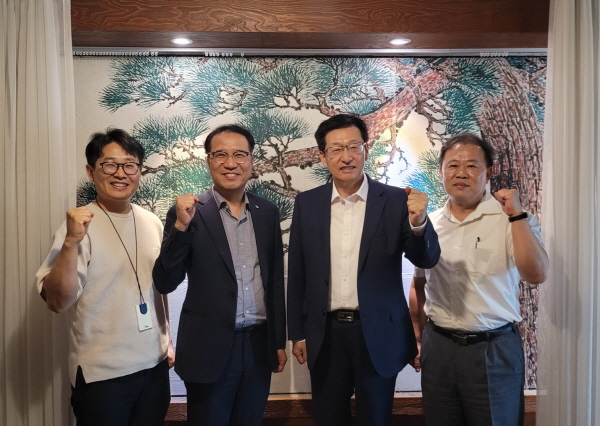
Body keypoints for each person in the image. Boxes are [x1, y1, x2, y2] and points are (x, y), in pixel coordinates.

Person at [287, 113, 441, 426]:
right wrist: (297, 333)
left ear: (366, 150)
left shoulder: (396, 200)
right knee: (329, 418)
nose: (346, 157)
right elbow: (298, 273)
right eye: (336, 149)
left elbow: (425, 259)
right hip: (325, 333)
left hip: (378, 333)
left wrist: (419, 222)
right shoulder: (307, 203)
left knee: (376, 418)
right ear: (323, 157)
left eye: (353, 147)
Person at [409, 133, 549, 426]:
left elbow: (536, 274)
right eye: (453, 165)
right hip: (439, 347)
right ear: (441, 171)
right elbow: (419, 284)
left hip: (493, 348)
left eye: (472, 165)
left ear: (488, 172)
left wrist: (517, 216)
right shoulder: (429, 222)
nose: (461, 173)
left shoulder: (511, 218)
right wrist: (418, 337)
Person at [36, 128, 174, 426]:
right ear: (91, 172)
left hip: (155, 366)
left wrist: (168, 341)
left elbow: (158, 286)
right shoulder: (77, 227)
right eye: (109, 164)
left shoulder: (151, 221)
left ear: (139, 171)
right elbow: (57, 302)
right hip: (103, 376)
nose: (120, 173)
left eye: (129, 165)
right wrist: (71, 241)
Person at [152, 124, 287, 426]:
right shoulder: (189, 212)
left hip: (257, 346)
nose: (230, 163)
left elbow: (275, 282)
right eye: (220, 155)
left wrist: (278, 341)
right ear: (208, 161)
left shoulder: (267, 212)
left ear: (251, 160)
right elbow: (165, 281)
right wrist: (181, 227)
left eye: (239, 154)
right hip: (208, 348)